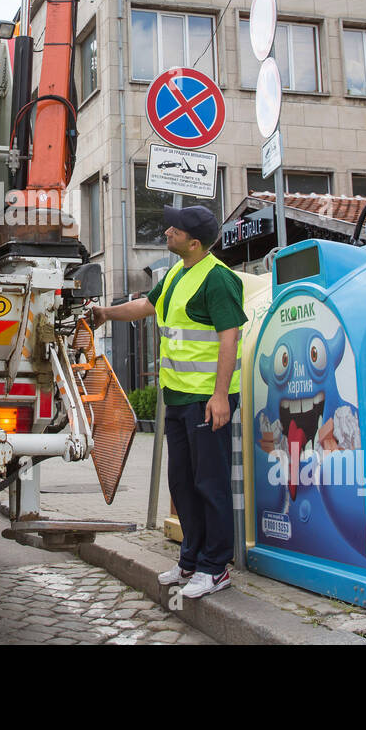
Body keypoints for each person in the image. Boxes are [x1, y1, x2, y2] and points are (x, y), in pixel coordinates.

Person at [89, 204, 245, 598]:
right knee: (183, 483)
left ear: (194, 242)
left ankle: (216, 568)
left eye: (174, 229)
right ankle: (190, 561)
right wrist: (106, 313)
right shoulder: (177, 272)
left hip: (206, 400)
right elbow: (146, 306)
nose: (166, 231)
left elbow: (230, 338)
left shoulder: (219, 280)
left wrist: (221, 397)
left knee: (210, 484)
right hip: (176, 400)